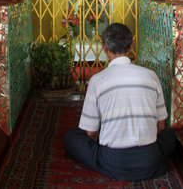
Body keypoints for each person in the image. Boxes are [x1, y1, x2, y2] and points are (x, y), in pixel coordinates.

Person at [63, 23, 176, 181]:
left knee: (71, 138)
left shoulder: (96, 81)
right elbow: (161, 125)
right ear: (132, 46)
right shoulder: (151, 76)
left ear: (103, 47)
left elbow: (90, 133)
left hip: (112, 162)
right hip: (150, 160)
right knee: (171, 136)